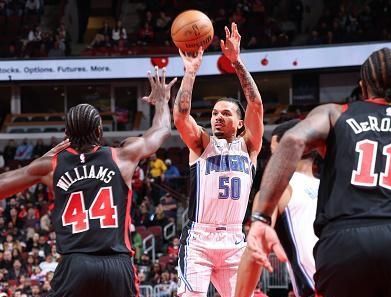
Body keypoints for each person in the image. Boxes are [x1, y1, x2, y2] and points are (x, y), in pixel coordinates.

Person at [0, 66, 177, 297]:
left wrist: (46, 156)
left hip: (75, 264)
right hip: (117, 264)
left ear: (67, 134)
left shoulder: (52, 166)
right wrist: (162, 101)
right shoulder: (121, 156)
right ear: (99, 129)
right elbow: (161, 130)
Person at [245, 47, 391, 297]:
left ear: (363, 86)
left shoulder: (335, 113)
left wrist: (260, 217)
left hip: (346, 242)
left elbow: (292, 141)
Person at [173, 22, 264, 297]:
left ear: (239, 123)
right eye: (214, 113)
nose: (217, 116)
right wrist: (190, 73)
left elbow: (256, 104)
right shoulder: (201, 144)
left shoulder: (249, 146)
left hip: (234, 239)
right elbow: (180, 115)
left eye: (225, 113)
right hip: (199, 239)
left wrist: (236, 62)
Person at [236, 120, 320, 297]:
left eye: (274, 153)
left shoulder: (277, 191)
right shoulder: (336, 185)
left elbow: (255, 250)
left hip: (317, 288)